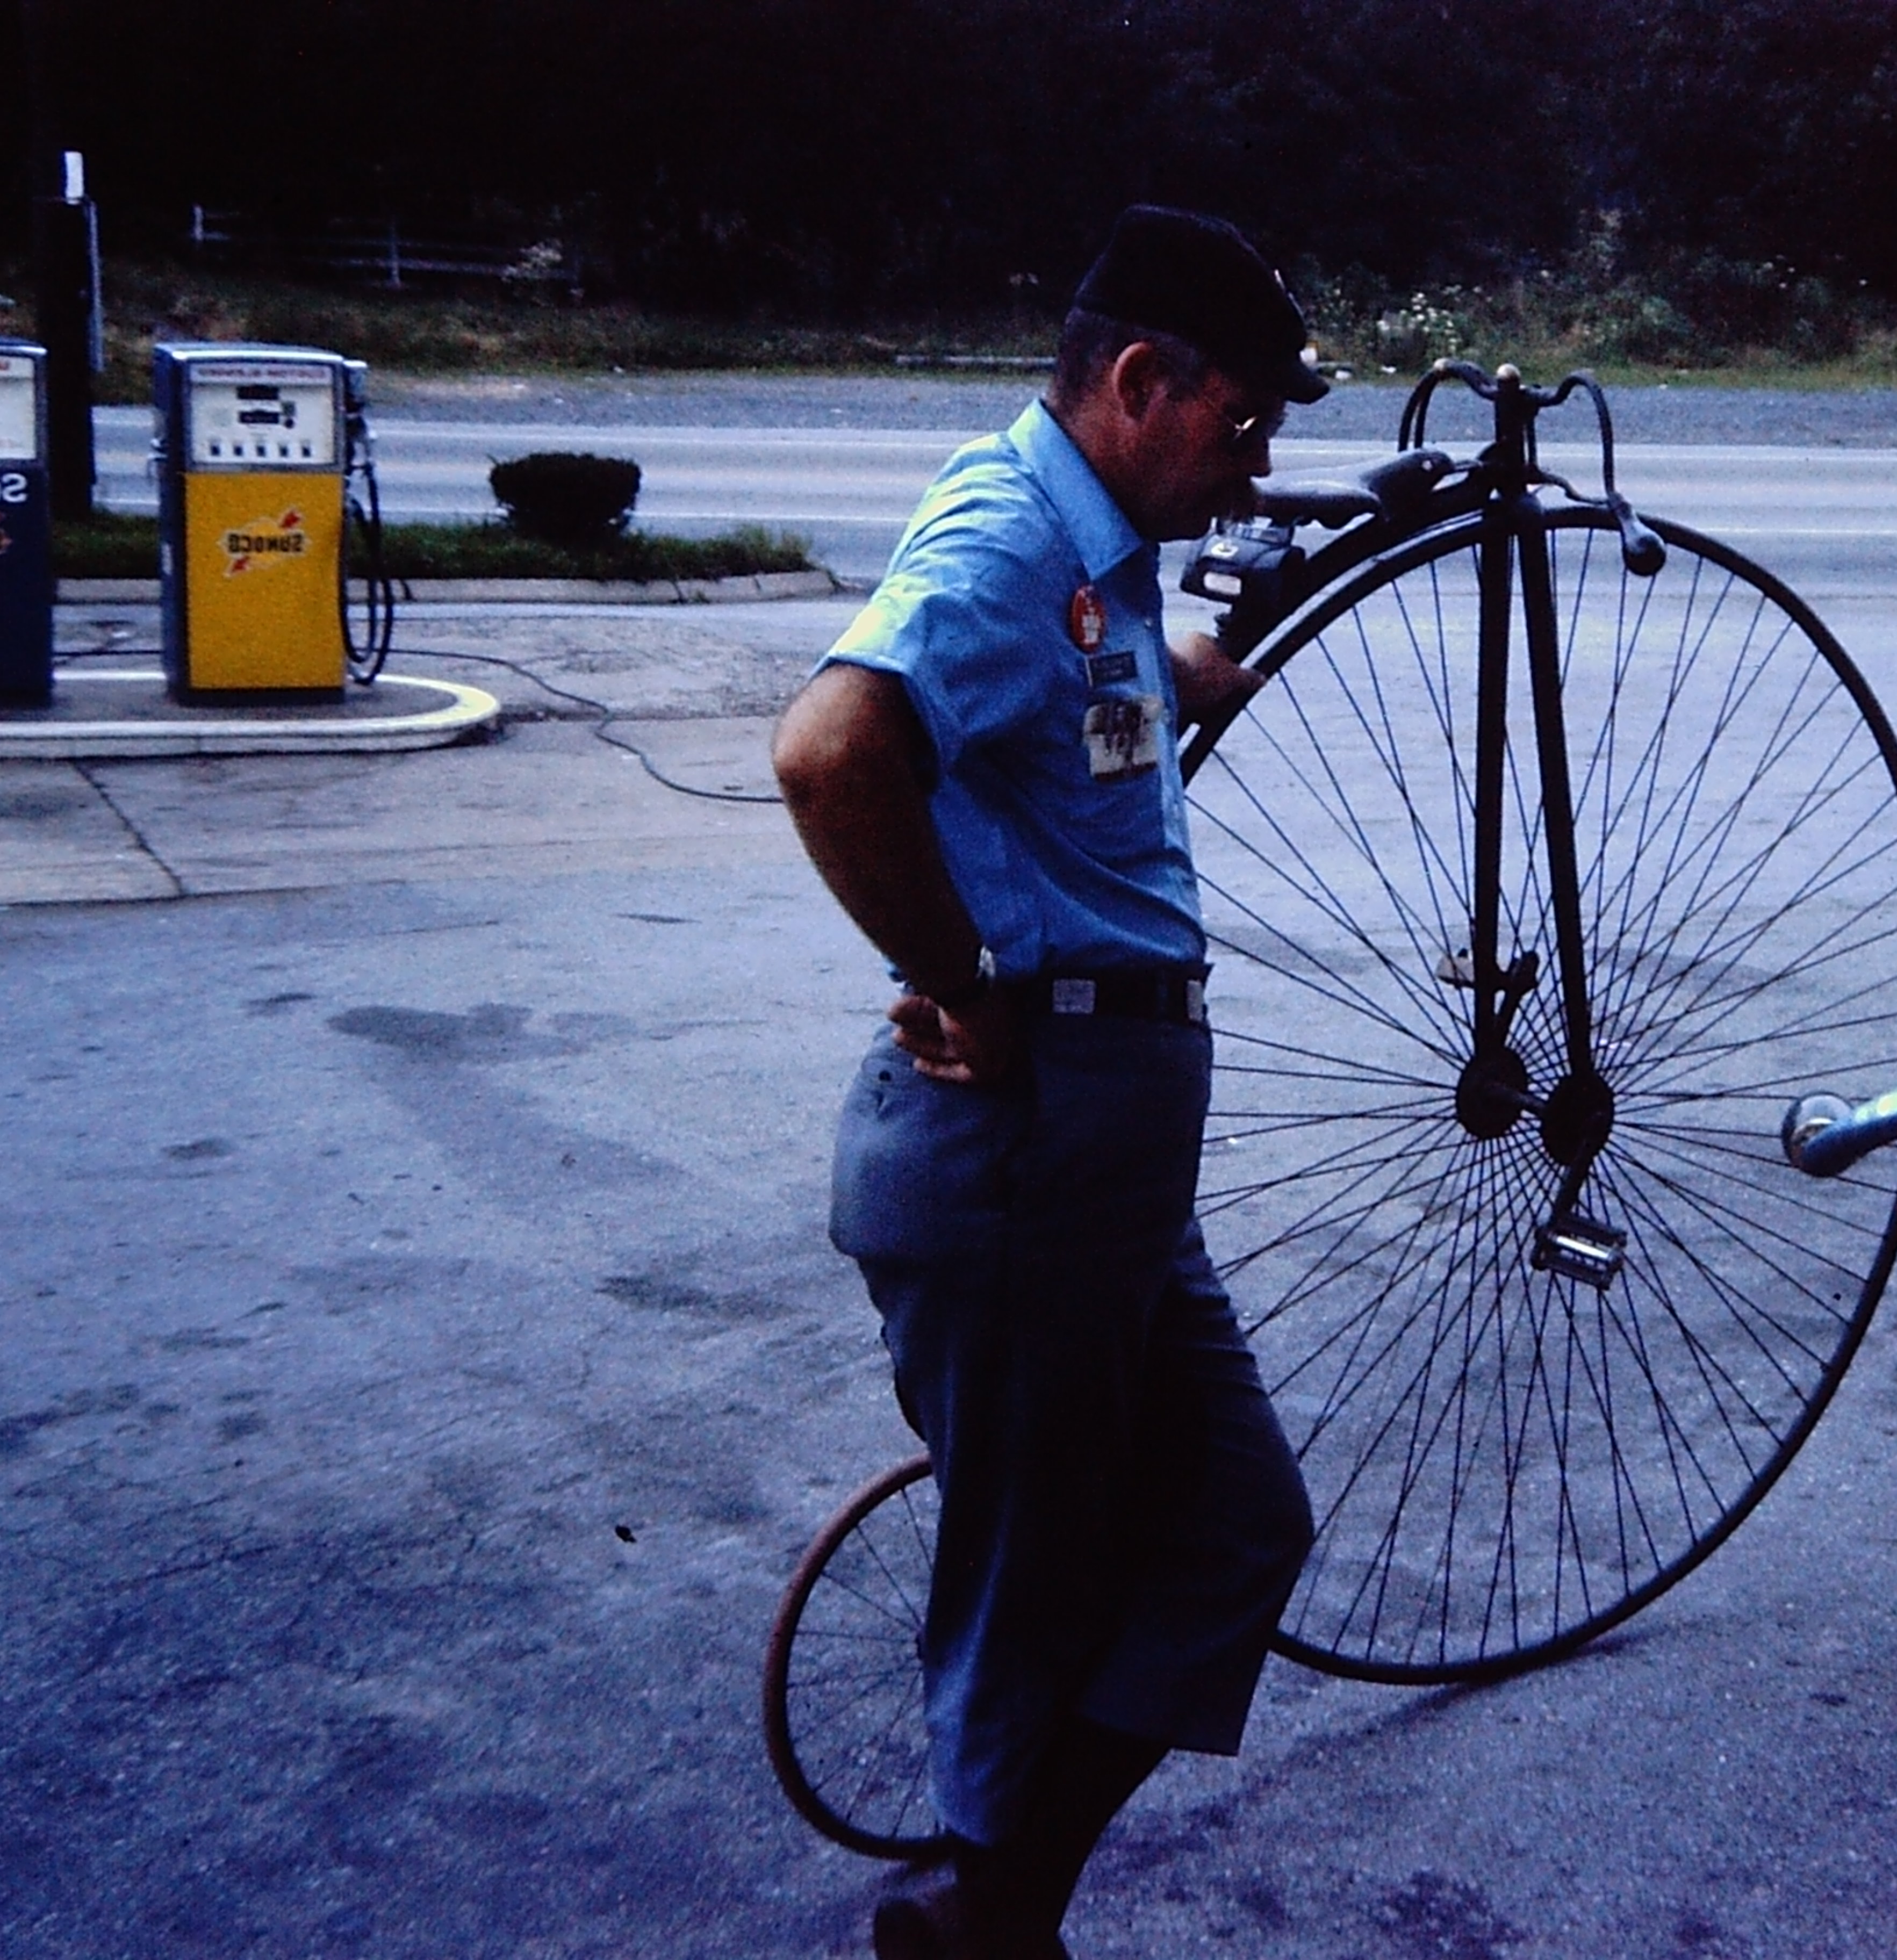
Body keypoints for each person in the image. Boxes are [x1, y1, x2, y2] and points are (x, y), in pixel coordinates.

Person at [769, 206, 1326, 1960]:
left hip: (1105, 1156)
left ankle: (992, 1898)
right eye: (1242, 426)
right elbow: (832, 750)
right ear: (1140, 380)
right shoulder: (1015, 530)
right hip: (1022, 1143)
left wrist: (1167, 684)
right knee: (1032, 1586)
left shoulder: (1094, 542)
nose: (1255, 469)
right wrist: (958, 978)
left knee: (1236, 1520)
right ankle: (990, 1913)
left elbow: (1057, 716)